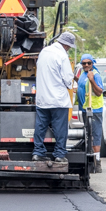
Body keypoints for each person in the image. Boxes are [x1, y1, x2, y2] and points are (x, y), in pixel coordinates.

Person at [33, 32, 76, 163]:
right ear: (67, 45)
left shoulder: (44, 52)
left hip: (42, 99)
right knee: (60, 129)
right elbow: (68, 80)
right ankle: (59, 155)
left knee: (40, 127)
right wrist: (70, 84)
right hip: (58, 100)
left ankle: (38, 153)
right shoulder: (62, 56)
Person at [74, 54, 104, 172]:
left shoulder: (95, 75)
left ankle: (97, 163)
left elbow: (99, 92)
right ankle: (90, 161)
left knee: (95, 135)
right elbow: (82, 84)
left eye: (89, 63)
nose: (86, 65)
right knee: (88, 135)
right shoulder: (83, 73)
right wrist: (74, 78)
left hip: (94, 109)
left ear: (92, 63)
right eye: (84, 63)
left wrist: (92, 80)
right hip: (85, 109)